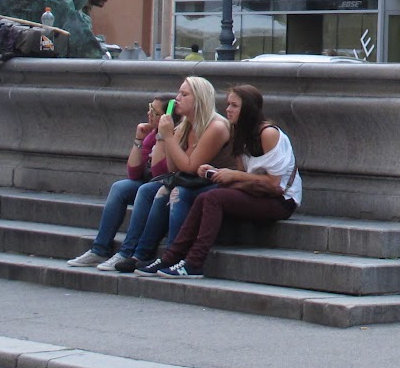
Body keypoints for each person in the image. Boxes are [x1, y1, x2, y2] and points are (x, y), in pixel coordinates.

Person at [148, 85, 302, 279]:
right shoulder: (238, 132)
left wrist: (234, 176)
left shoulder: (268, 134)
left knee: (212, 198)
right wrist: (214, 172)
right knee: (203, 195)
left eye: (234, 105)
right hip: (254, 191)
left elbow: (274, 185)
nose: (228, 109)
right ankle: (171, 257)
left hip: (281, 201)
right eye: (228, 104)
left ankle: (194, 263)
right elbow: (242, 173)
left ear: (248, 109)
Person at [101, 76, 231, 272]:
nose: (177, 98)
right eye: (179, 93)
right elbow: (172, 168)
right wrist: (167, 137)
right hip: (190, 180)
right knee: (153, 190)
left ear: (199, 99)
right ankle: (140, 254)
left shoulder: (216, 126)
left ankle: (173, 255)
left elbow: (189, 166)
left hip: (213, 181)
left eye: (184, 94)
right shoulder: (185, 125)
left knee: (177, 193)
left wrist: (168, 136)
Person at [65, 95, 171, 266]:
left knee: (145, 191)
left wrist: (162, 138)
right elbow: (134, 172)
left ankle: (126, 252)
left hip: (162, 185)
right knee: (120, 187)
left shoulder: (171, 135)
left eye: (155, 112)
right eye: (150, 108)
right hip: (147, 183)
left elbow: (160, 173)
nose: (149, 114)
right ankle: (99, 249)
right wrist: (139, 139)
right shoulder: (150, 135)